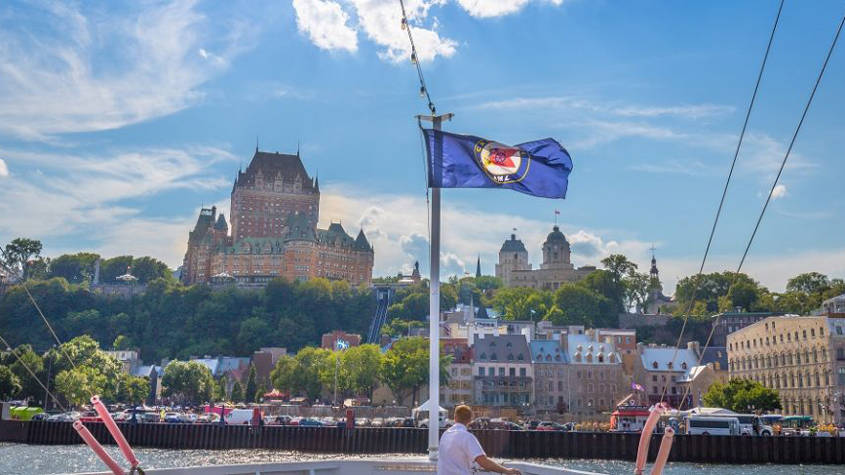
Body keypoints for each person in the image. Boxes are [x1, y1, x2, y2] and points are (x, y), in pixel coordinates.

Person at [437, 405, 520, 475]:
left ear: (455, 418)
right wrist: (506, 471)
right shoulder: (467, 437)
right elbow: (484, 462)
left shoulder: (445, 434)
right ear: (470, 420)